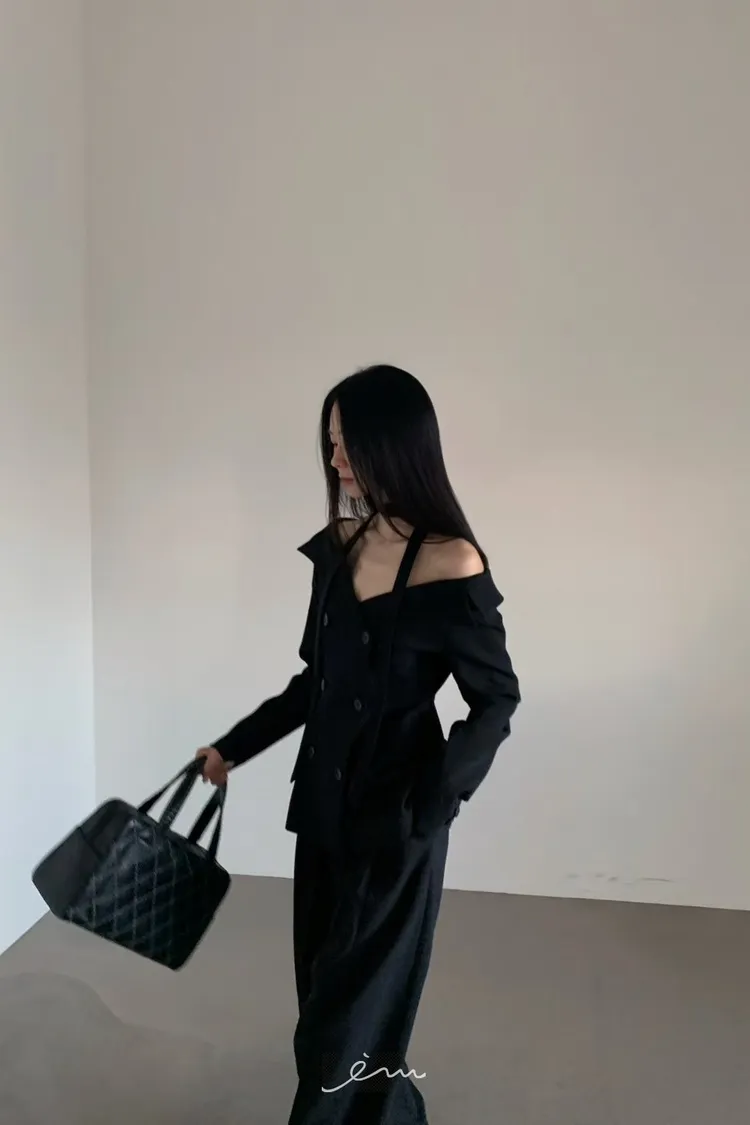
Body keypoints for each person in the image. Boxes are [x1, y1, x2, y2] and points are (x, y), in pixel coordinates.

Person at [196, 365, 520, 1125]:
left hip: (396, 823)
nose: (335, 458)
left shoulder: (452, 560)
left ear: (396, 445)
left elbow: (496, 698)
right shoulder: (341, 547)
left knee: (349, 1012)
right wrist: (232, 748)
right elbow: (315, 682)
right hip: (323, 811)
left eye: (349, 443)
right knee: (325, 995)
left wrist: (432, 803)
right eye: (332, 442)